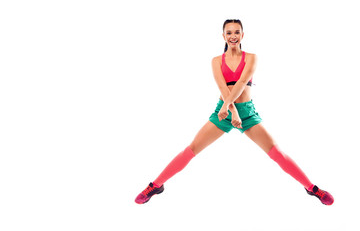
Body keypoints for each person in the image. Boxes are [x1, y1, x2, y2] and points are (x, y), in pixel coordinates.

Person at [135, 19, 334, 205]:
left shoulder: (252, 58)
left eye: (237, 32)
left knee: (277, 153)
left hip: (246, 113)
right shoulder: (216, 61)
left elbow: (240, 84)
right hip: (222, 113)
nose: (233, 35)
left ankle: (312, 188)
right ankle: (156, 185)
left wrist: (236, 112)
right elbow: (223, 88)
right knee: (191, 149)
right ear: (223, 36)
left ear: (242, 35)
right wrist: (229, 110)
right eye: (229, 32)